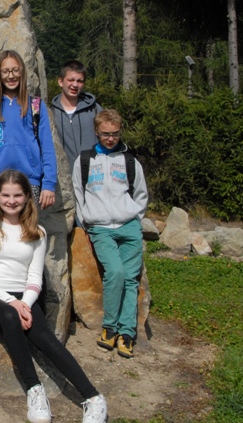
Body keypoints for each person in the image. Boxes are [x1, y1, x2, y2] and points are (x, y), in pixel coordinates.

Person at [0, 170, 108, 423]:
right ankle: (34, 390)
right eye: (5, 195)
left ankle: (93, 397)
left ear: (26, 197)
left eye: (17, 195)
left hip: (25, 297)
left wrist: (25, 303)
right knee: (9, 316)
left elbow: (35, 278)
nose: (11, 201)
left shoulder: (37, 232)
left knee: (44, 336)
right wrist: (13, 304)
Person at [72, 109, 148, 359]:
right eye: (105, 134)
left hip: (128, 226)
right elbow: (78, 193)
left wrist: (135, 218)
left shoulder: (129, 160)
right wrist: (86, 221)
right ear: (97, 131)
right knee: (115, 272)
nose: (110, 138)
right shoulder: (85, 160)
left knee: (130, 279)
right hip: (100, 227)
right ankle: (109, 327)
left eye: (115, 134)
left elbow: (141, 193)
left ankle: (127, 333)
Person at [0, 50, 57, 211]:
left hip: (29, 181)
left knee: (28, 226)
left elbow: (47, 148)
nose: (11, 76)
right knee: (1, 227)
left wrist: (49, 183)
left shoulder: (35, 106)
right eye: (5, 71)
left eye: (15, 70)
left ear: (22, 72)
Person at [50, 60, 102, 171]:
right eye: (71, 80)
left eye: (79, 81)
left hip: (94, 174)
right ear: (60, 81)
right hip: (64, 176)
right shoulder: (51, 113)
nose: (75, 85)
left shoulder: (94, 110)